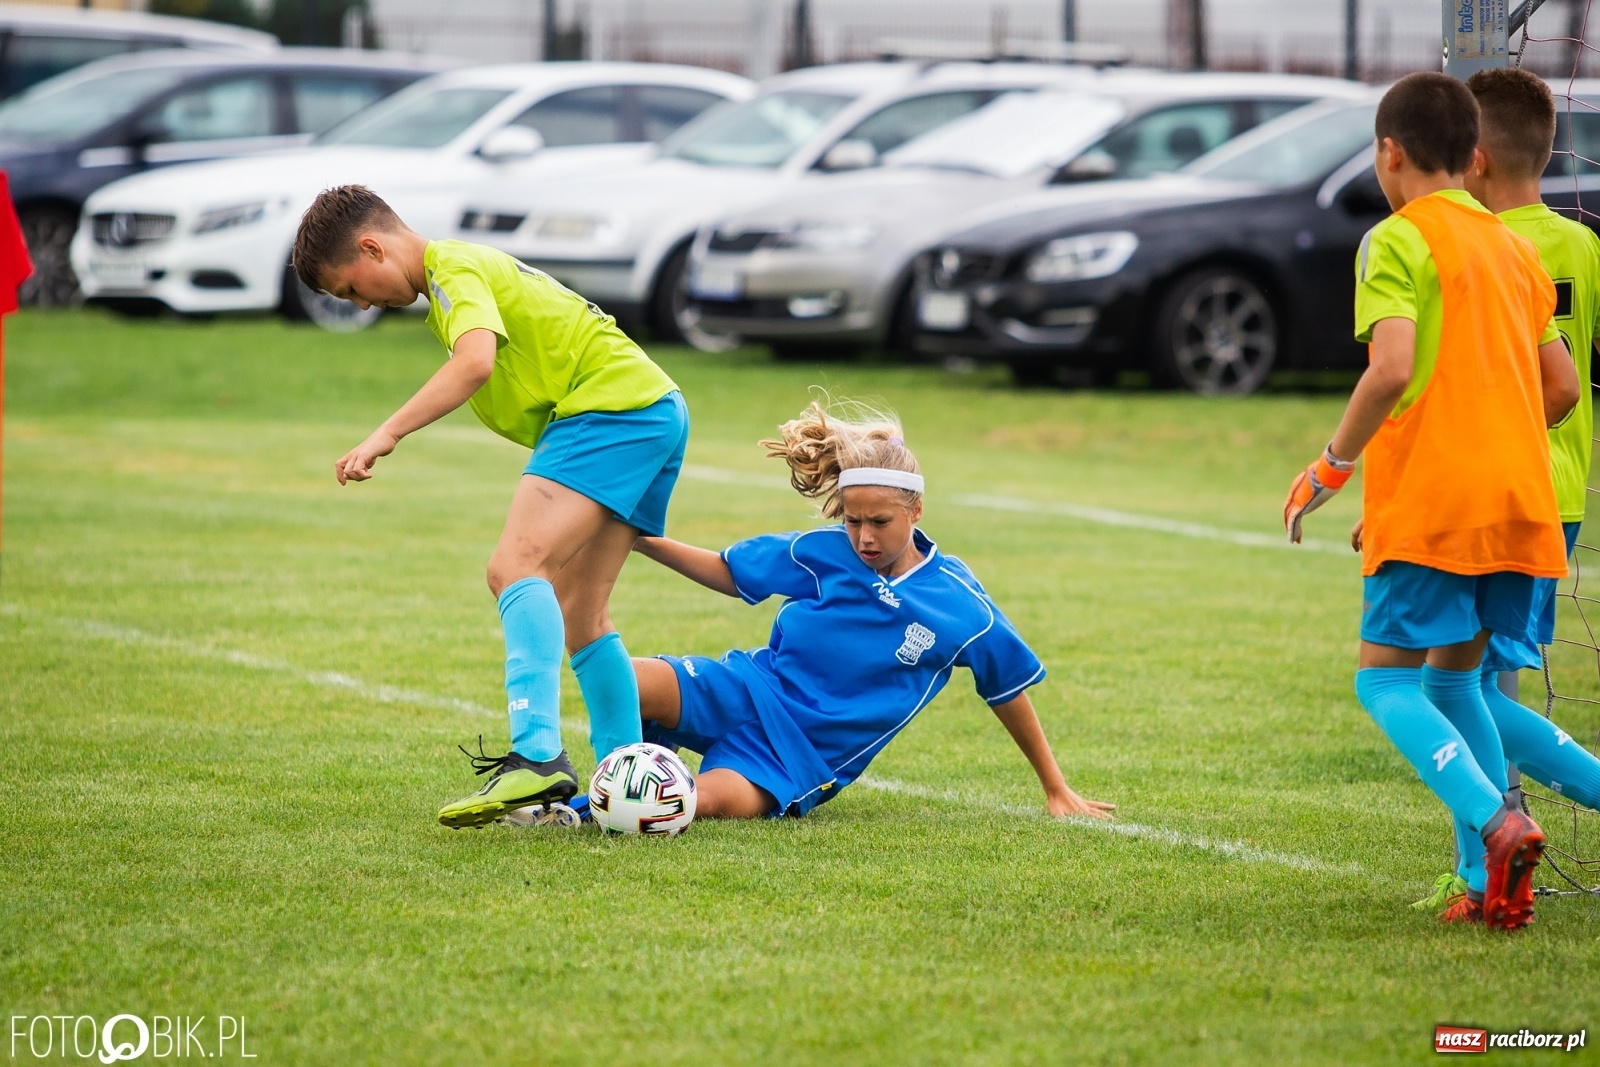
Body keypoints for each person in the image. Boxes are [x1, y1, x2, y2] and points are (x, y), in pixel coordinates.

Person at [291, 184, 689, 828]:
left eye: (353, 288)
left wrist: (386, 433)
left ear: (372, 247)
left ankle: (537, 755)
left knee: (515, 567)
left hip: (610, 408)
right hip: (653, 407)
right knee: (582, 612)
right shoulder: (459, 271)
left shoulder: (450, 267)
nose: (362, 303)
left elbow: (474, 363)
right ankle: (622, 785)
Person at [1283, 72, 1579, 931]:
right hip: (1522, 500)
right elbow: (1560, 385)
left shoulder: (1396, 238)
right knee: (1457, 685)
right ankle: (1489, 885)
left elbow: (1392, 369)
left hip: (1441, 501)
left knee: (1384, 682)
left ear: (1390, 153)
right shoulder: (1513, 246)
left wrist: (1332, 468)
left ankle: (1496, 822)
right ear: (1471, 154)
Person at [619, 400, 1114, 821]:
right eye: (853, 521)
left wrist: (1055, 787)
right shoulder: (825, 550)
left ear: (915, 511)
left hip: (796, 757)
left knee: (681, 802)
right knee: (621, 679)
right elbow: (730, 573)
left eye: (880, 521)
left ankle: (617, 791)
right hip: (746, 689)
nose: (864, 537)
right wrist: (640, 540)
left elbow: (1007, 690)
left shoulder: (961, 606)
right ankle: (623, 761)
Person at [1406, 67, 1600, 918]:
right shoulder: (1582, 245)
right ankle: (1488, 863)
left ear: (1472, 159)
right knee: (1475, 682)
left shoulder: (1479, 248)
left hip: (1493, 487)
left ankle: (1481, 869)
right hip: (1563, 492)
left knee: (1455, 686)